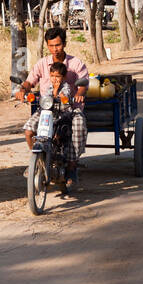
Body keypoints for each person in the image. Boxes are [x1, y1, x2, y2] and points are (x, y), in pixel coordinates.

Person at [17, 26, 89, 194]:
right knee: (29, 130)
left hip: (69, 109)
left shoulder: (76, 63)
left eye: (58, 45)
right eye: (51, 45)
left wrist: (79, 93)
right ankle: (37, 161)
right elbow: (30, 81)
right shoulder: (42, 64)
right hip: (47, 109)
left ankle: (72, 166)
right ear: (47, 46)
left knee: (78, 127)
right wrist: (23, 90)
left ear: (64, 44)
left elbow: (84, 83)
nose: (55, 49)